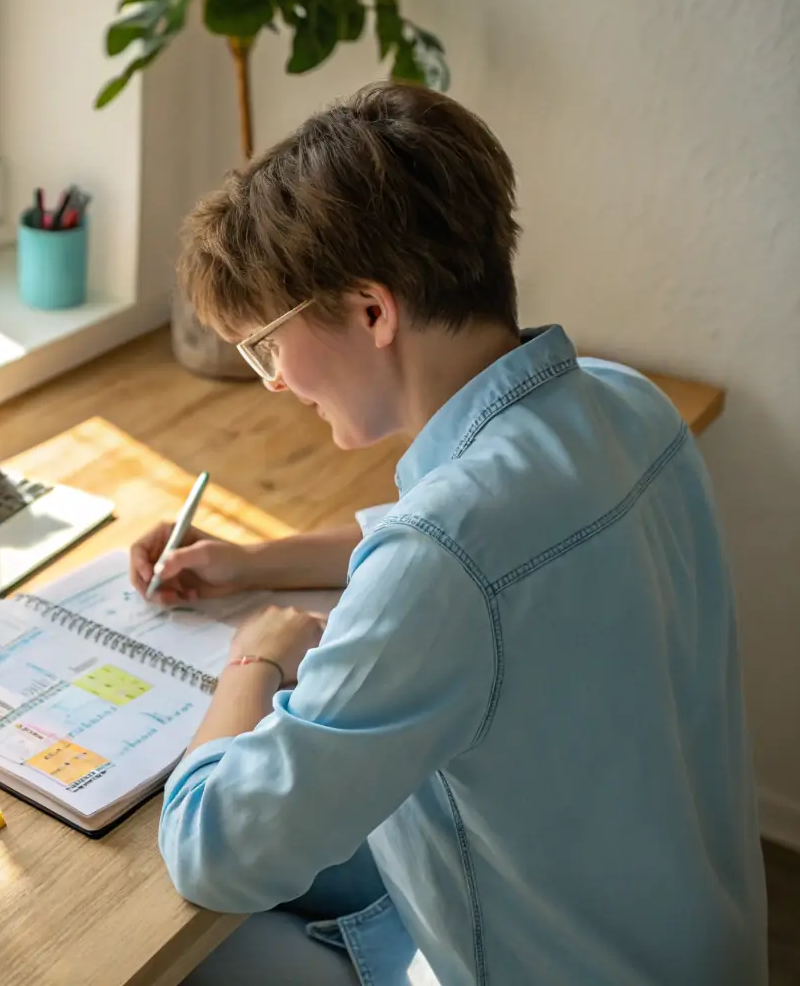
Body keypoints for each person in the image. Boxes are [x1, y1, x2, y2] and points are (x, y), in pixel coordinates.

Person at [129, 82, 767, 985]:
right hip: (697, 940)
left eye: (267, 345)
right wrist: (251, 560)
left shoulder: (442, 559)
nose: (273, 381)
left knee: (169, 951)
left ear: (369, 311)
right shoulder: (626, 402)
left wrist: (256, 655)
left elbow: (212, 848)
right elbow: (472, 556)